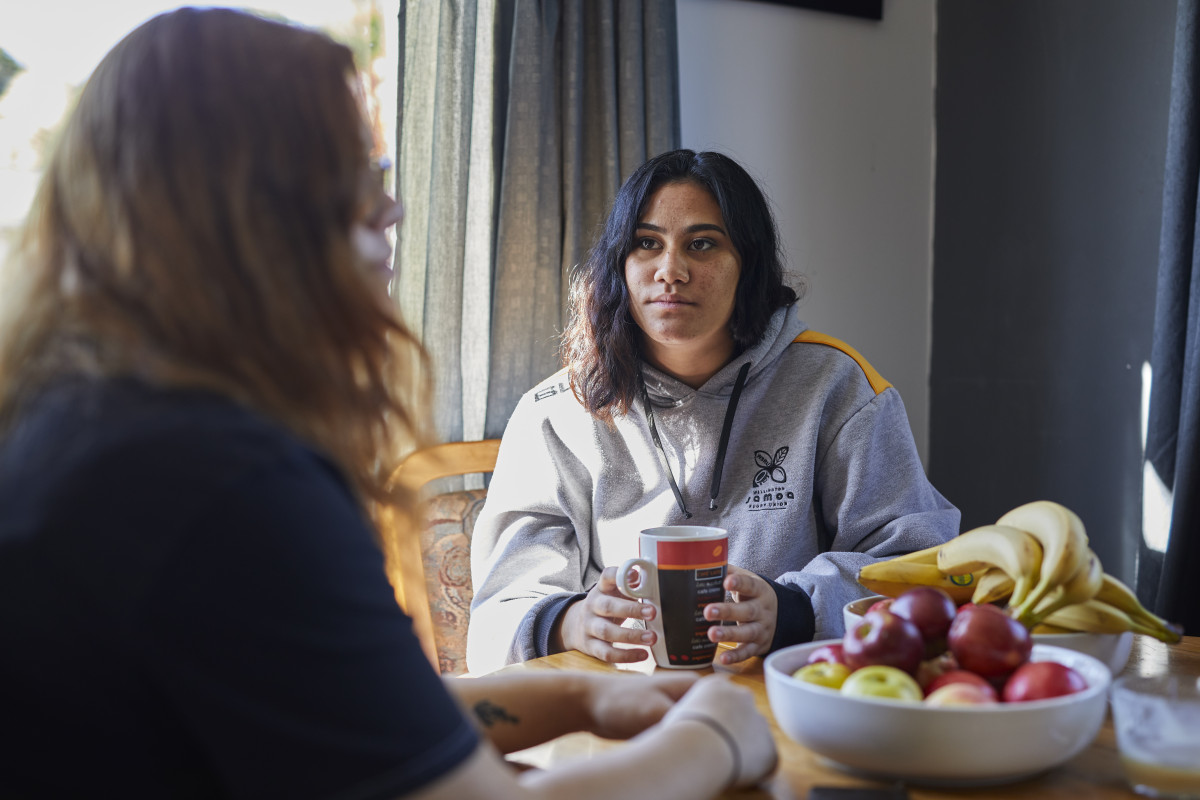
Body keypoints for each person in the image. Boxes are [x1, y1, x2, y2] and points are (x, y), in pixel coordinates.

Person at [0, 10, 777, 799]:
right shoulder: (229, 484)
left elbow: (366, 710)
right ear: (251, 218)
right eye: (358, 182)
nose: (392, 211)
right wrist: (715, 735)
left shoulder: (93, 422)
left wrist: (581, 693)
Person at [467, 149, 961, 675]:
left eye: (701, 245)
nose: (670, 271)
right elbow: (498, 613)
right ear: (620, 264)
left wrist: (794, 608)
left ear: (747, 264)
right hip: (612, 714)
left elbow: (921, 565)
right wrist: (569, 621)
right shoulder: (557, 413)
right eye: (646, 244)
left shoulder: (836, 386)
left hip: (786, 696)